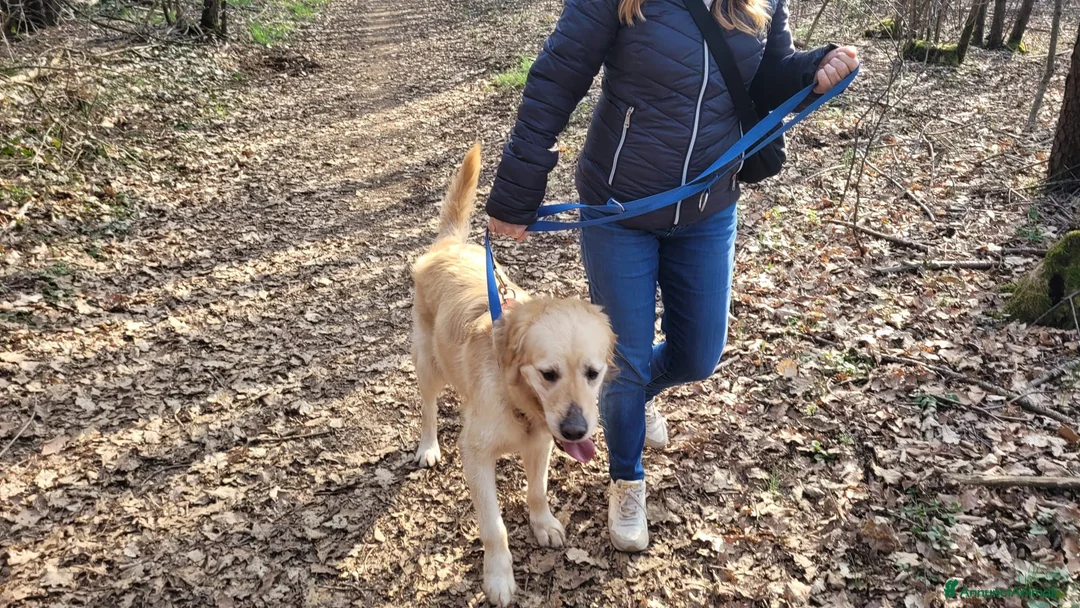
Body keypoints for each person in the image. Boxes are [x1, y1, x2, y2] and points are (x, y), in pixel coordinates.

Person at [485, 0, 858, 553]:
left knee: (698, 354)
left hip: (709, 207)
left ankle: (628, 401)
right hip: (619, 209)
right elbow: (556, 78)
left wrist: (816, 66)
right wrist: (517, 189)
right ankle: (627, 479)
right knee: (627, 360)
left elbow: (769, 72)